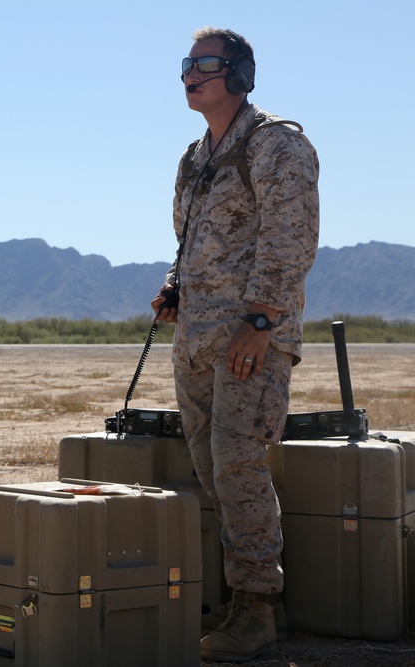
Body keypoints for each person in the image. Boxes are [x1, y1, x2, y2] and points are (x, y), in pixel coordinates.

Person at [151, 27, 319, 663]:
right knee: (212, 472)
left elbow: (291, 235)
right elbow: (190, 243)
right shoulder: (195, 157)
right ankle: (237, 596)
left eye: (206, 65)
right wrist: (173, 288)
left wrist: (263, 318)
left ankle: (256, 610)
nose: (191, 75)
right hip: (196, 339)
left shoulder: (276, 144)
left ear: (240, 74)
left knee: (240, 466)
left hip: (249, 339)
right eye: (186, 65)